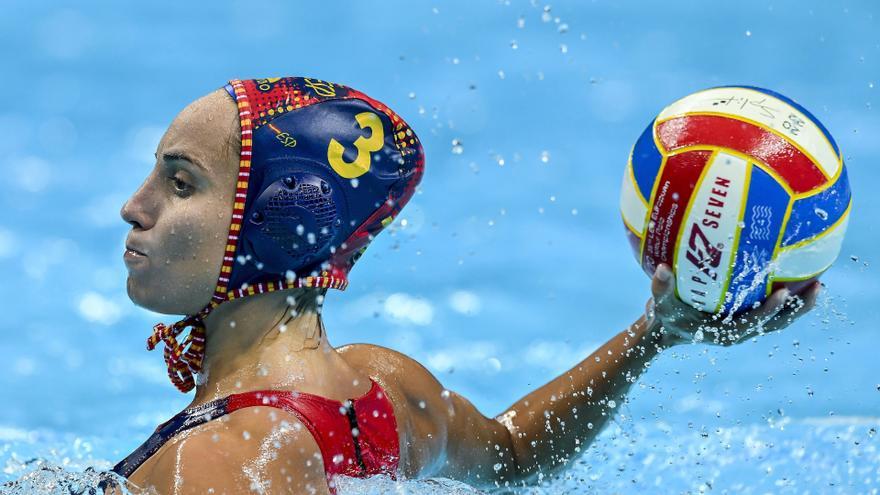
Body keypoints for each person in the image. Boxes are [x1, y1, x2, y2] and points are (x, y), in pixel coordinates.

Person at [107, 77, 819, 494]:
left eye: (180, 183)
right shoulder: (384, 392)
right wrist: (656, 332)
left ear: (270, 223)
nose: (135, 206)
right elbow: (514, 455)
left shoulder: (217, 463)